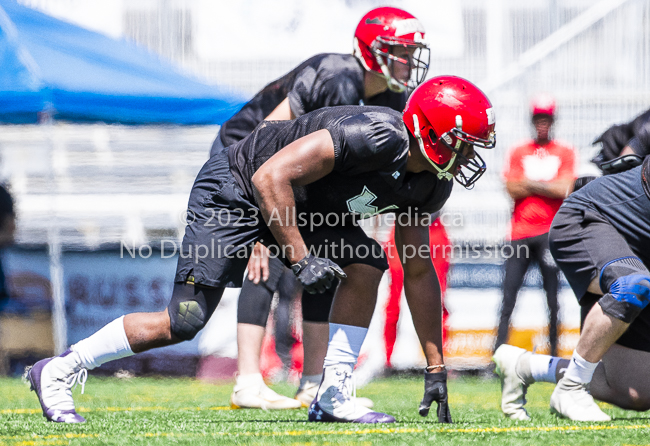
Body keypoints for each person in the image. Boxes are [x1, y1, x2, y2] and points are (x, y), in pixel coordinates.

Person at [26, 75, 496, 424]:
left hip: (306, 208)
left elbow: (417, 272)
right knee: (183, 320)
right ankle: (60, 368)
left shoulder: (431, 184)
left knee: (369, 260)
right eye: (465, 142)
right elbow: (269, 177)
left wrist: (436, 366)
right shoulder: (375, 135)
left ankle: (333, 393)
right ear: (433, 131)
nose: (470, 156)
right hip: (235, 189)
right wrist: (300, 257)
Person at [224, 6, 431, 410]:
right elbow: (270, 138)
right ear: (371, 50)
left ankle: (314, 381)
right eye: (400, 51)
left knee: (326, 259)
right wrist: (258, 216)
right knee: (268, 255)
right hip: (246, 154)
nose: (408, 61)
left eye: (411, 52)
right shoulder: (336, 77)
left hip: (302, 174)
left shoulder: (393, 99)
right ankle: (247, 379)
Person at [494, 108, 650, 421]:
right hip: (594, 217)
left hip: (634, 242)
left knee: (637, 391)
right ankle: (571, 388)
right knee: (632, 283)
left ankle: (527, 365)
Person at [495, 95, 577, 356]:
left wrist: (530, 183)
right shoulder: (519, 151)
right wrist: (546, 186)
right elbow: (511, 187)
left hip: (549, 235)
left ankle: (554, 354)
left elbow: (565, 188)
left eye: (546, 119)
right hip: (519, 234)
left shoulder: (563, 152)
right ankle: (497, 354)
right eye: (538, 119)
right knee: (508, 298)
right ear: (532, 121)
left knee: (553, 299)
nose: (542, 124)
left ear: (552, 121)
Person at [383, 217, 451, 369]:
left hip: (434, 228)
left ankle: (439, 364)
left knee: (439, 300)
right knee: (393, 302)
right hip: (402, 227)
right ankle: (387, 361)